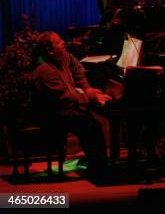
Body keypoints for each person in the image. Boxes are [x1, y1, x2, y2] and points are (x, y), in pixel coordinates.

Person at [32, 31, 112, 176]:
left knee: (89, 120)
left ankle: (98, 163)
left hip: (64, 109)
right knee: (90, 124)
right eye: (58, 42)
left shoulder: (62, 58)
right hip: (52, 115)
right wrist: (90, 96)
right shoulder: (45, 70)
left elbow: (77, 69)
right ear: (50, 51)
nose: (63, 43)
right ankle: (99, 167)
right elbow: (65, 98)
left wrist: (87, 88)